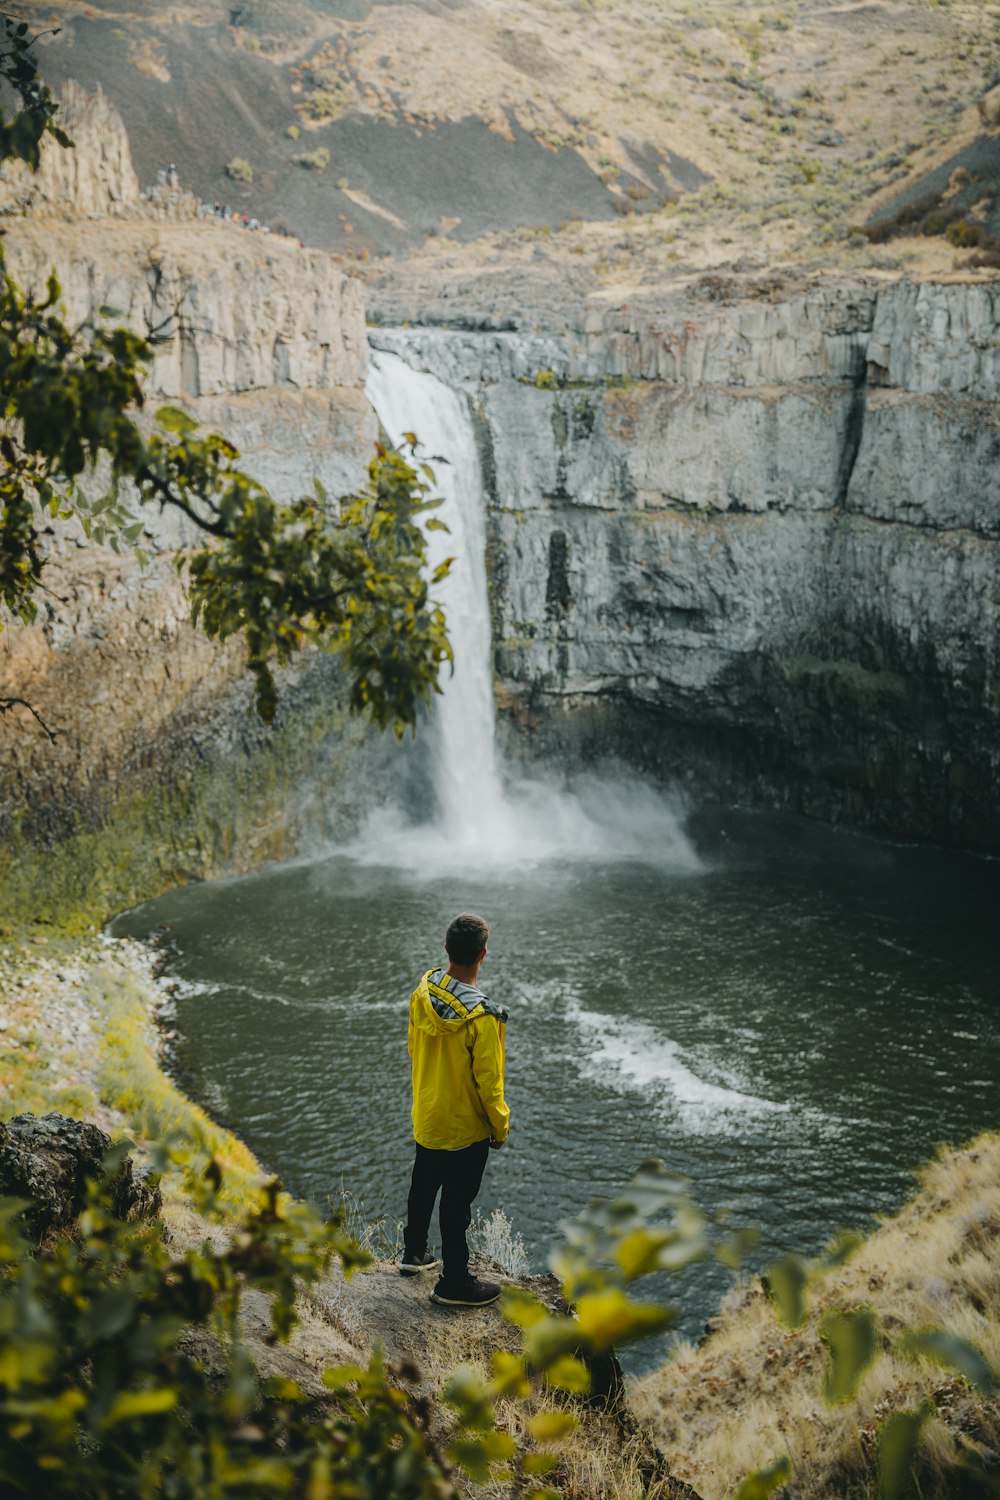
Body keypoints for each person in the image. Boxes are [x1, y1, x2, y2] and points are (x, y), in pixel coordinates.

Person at [400, 912, 510, 1307]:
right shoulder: (483, 1018)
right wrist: (499, 1127)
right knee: (456, 1205)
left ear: (447, 949)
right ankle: (454, 1283)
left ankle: (413, 1254)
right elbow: (489, 1084)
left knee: (423, 1185)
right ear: (483, 955)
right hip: (465, 1128)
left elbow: (414, 1049)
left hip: (427, 1113)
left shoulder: (422, 992)